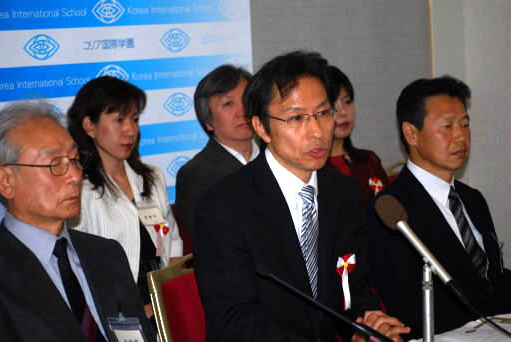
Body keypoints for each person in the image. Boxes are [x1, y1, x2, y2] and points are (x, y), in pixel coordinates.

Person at [193, 51, 409, 342]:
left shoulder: (341, 192)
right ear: (261, 127)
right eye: (296, 118)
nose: (317, 131)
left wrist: (366, 322)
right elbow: (235, 319)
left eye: (323, 113)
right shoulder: (223, 205)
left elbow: (351, 287)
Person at [367, 75, 511, 339]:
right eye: (448, 126)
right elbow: (404, 300)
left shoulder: (472, 198)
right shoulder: (391, 210)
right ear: (411, 133)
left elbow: (493, 278)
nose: (460, 137)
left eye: (465, 125)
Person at [0, 101, 156, 341]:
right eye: (54, 164)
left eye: (74, 160)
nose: (74, 176)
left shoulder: (107, 254)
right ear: (6, 181)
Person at [67, 76, 182, 318]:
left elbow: (171, 239)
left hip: (163, 302)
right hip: (116, 311)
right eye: (119, 120)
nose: (130, 130)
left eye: (135, 120)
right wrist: (135, 310)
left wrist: (169, 296)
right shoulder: (79, 189)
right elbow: (79, 266)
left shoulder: (151, 177)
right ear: (89, 126)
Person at [175, 64, 259, 239]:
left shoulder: (279, 157)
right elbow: (211, 240)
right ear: (207, 121)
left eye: (246, 100)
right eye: (228, 104)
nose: (242, 111)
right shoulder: (195, 175)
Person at [327, 66, 389, 208]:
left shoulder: (368, 160)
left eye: (347, 101)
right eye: (332, 105)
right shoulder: (312, 169)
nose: (343, 112)